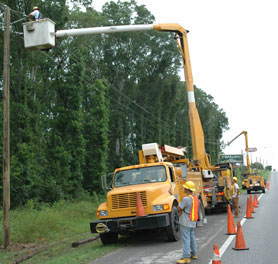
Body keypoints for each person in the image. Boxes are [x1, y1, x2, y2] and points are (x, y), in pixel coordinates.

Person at [176, 181, 199, 264]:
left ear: (187, 189)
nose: (184, 188)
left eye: (185, 187)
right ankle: (194, 253)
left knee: (186, 239)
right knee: (192, 237)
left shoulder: (186, 199)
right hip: (192, 222)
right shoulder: (195, 198)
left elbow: (179, 208)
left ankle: (186, 257)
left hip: (185, 222)